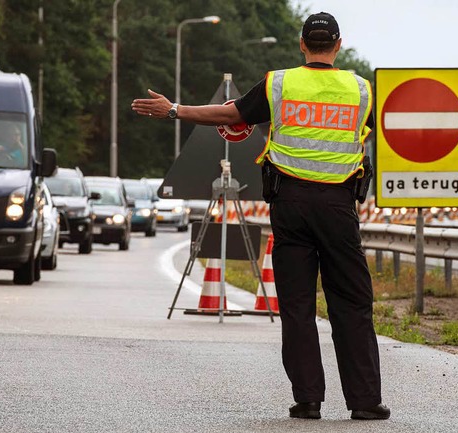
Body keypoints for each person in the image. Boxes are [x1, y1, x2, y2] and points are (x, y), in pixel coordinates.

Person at [131, 11, 390, 421]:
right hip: (339, 209)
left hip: (291, 207)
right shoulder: (361, 91)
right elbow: (393, 134)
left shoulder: (280, 83)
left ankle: (308, 400)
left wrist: (173, 110)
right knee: (352, 305)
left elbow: (230, 115)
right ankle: (364, 402)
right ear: (338, 46)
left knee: (298, 305)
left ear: (302, 45)